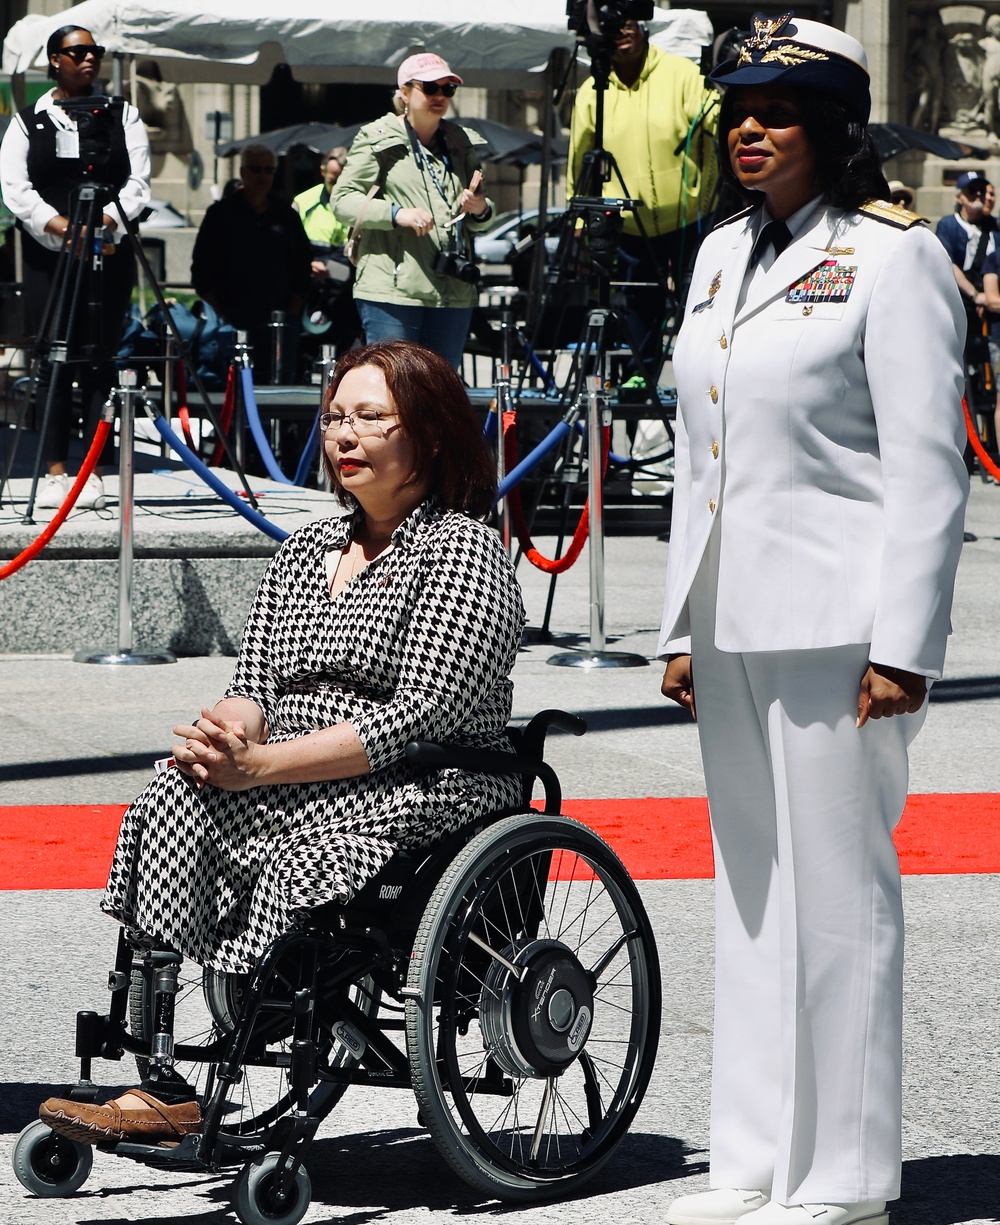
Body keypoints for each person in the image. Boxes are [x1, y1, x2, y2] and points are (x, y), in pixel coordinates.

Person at [36, 339, 525, 1145]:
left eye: (372, 417)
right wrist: (225, 733)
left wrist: (261, 767)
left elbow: (419, 719)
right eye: (335, 417)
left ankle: (232, 1047)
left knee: (300, 857)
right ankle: (162, 1076)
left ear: (430, 435)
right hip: (300, 773)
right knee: (171, 795)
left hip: (421, 784)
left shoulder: (462, 551)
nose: (345, 435)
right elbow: (255, 680)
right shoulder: (305, 550)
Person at [658, 14, 968, 1225]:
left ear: (831, 126)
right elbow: (699, 459)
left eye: (775, 109)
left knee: (839, 899)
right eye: (737, 105)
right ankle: (749, 1157)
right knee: (753, 891)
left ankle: (841, 1173)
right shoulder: (720, 253)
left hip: (844, 626)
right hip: (734, 621)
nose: (747, 125)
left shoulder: (893, 259)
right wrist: (682, 622)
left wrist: (905, 647)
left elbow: (928, 470)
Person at [0, 24, 151, 511]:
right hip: (51, 258)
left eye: (95, 52)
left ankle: (96, 468)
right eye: (77, 52)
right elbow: (16, 188)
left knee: (100, 359)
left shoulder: (122, 115)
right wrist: (65, 226)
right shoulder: (30, 120)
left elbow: (139, 183)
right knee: (53, 362)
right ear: (54, 61)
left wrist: (103, 223)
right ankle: (54, 469)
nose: (88, 59)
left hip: (110, 253)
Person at [568, 16, 719, 374]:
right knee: (638, 304)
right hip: (628, 226)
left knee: (700, 302)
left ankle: (703, 378)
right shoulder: (593, 91)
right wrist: (578, 218)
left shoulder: (681, 74)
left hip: (690, 219)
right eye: (610, 25)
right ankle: (639, 378)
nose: (621, 31)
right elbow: (579, 160)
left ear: (642, 26)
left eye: (628, 23)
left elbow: (719, 123)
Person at [332, 53, 494, 371]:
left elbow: (481, 219)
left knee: (439, 391)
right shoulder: (376, 137)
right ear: (404, 93)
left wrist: (480, 209)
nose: (440, 96)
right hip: (392, 291)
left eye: (448, 90)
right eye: (430, 87)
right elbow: (342, 201)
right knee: (396, 386)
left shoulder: (461, 143)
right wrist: (396, 213)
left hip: (452, 290)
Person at [191, 143, 311, 382]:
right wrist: (219, 312)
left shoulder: (286, 215)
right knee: (232, 389)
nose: (263, 176)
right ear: (243, 172)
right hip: (232, 321)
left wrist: (293, 309)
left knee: (278, 389)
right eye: (256, 169)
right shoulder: (220, 214)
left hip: (279, 321)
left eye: (268, 170)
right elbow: (201, 267)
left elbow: (302, 264)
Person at [293, 145, 350, 278]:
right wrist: (309, 264)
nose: (338, 188)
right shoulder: (303, 202)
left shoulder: (359, 204)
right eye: (333, 181)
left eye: (343, 182)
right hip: (309, 279)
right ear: (323, 171)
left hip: (343, 282)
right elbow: (289, 247)